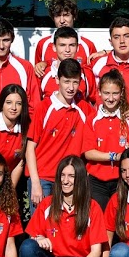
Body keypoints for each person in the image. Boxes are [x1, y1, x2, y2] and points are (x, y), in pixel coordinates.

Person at [22, 156, 107, 257]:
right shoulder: (47, 204)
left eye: (71, 176)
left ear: (80, 179)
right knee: (27, 247)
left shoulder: (92, 207)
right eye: (62, 175)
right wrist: (39, 238)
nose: (65, 181)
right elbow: (32, 236)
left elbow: (96, 251)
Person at [25, 59, 94, 209]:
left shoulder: (85, 109)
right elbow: (30, 147)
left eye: (75, 82)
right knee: (40, 231)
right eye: (66, 82)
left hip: (72, 180)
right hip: (44, 179)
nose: (71, 87)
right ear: (57, 79)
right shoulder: (43, 108)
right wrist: (36, 183)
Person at [85, 70, 129, 209]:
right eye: (106, 93)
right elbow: (88, 152)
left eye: (115, 93)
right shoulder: (92, 120)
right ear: (99, 92)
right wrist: (115, 156)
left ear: (122, 93)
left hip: (123, 181)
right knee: (99, 224)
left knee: (122, 224)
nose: (110, 98)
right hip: (97, 182)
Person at [0, 18, 41, 119]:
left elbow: (34, 105)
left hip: (17, 132)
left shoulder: (25, 67)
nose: (1, 46)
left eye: (6, 40)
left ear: (12, 39)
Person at [34, 0, 97, 71]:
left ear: (74, 16)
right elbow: (38, 75)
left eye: (66, 15)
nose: (62, 20)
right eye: (57, 16)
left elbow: (93, 75)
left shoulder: (88, 45)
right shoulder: (43, 44)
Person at [38, 27, 96, 103]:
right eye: (62, 45)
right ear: (54, 47)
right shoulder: (42, 73)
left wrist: (106, 51)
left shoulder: (86, 74)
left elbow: (97, 101)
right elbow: (36, 106)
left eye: (72, 45)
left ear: (77, 47)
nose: (67, 50)